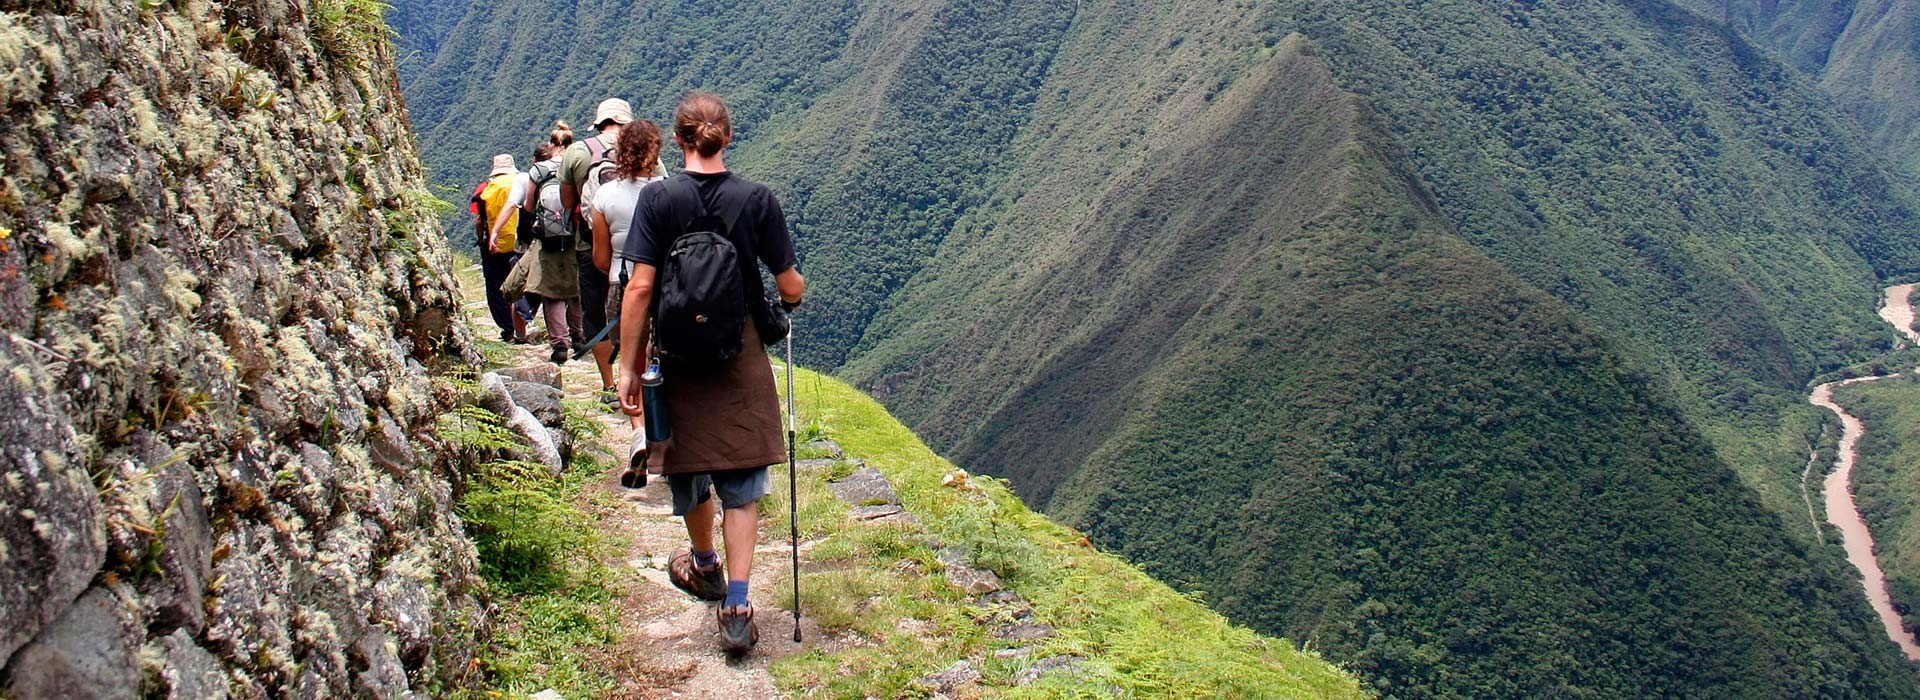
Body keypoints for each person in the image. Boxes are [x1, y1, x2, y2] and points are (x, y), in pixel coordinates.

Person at [617, 92, 805, 656]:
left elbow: (641, 287)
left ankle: (703, 564)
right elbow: (790, 285)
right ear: (728, 139)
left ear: (677, 141)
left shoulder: (657, 199)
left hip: (674, 353)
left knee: (688, 464)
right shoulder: (757, 201)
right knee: (742, 480)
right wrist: (785, 305)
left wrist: (628, 366)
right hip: (738, 350)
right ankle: (740, 605)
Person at [590, 119, 668, 462]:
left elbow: (600, 257)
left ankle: (639, 432)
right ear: (655, 151)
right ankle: (664, 431)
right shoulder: (669, 191)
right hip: (666, 287)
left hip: (621, 285)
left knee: (631, 361)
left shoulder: (605, 196)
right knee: (663, 358)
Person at [562, 99, 632, 400]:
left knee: (595, 314)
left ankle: (608, 384)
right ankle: (639, 379)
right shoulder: (642, 148)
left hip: (589, 244)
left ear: (599, 123)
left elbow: (567, 202)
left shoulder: (579, 151)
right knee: (638, 311)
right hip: (637, 249)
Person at [521, 126, 583, 364]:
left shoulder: (539, 170)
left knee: (552, 292)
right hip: (575, 235)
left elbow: (528, 205)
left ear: (551, 145)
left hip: (547, 238)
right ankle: (579, 336)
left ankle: (559, 344)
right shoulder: (577, 165)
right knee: (575, 289)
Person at [470, 154, 524, 344]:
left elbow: (479, 219)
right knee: (519, 284)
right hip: (520, 242)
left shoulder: (485, 188)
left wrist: (481, 239)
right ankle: (521, 326)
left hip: (494, 244)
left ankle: (507, 329)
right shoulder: (522, 181)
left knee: (495, 286)